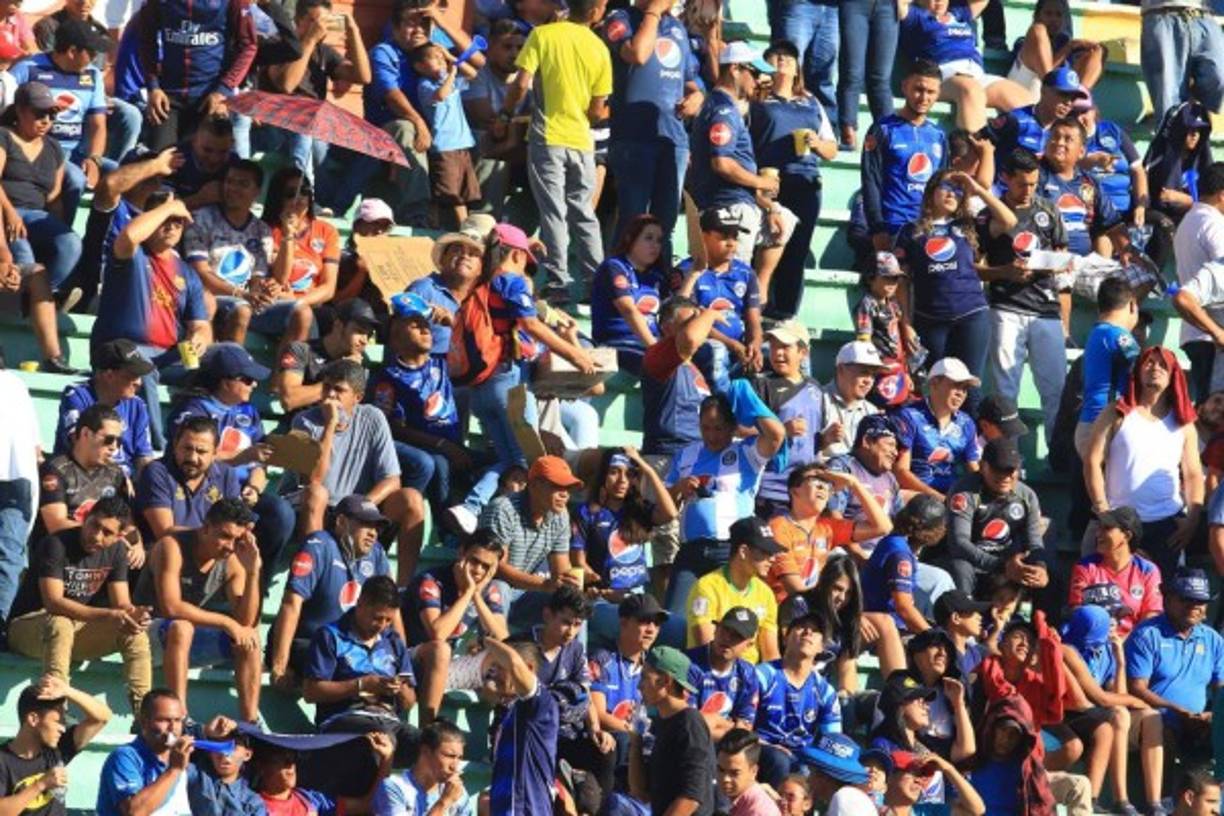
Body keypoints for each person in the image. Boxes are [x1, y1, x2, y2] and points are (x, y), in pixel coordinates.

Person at [493, 0, 610, 304]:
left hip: (548, 137)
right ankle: (596, 281)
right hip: (582, 141)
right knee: (584, 212)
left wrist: (505, 115)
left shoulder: (544, 35)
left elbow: (520, 85)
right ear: (597, 11)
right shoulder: (600, 48)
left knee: (554, 210)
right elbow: (597, 110)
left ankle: (558, 281)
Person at [7, 498, 151, 716]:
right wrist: (110, 615)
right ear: (85, 518)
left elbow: (121, 603)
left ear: (119, 536)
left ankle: (145, 718)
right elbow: (53, 602)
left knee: (135, 633)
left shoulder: (117, 551)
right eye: (94, 525)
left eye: (107, 532)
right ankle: (54, 712)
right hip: (27, 628)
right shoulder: (56, 544)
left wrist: (134, 615)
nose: (96, 535)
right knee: (60, 622)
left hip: (74, 630)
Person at [289, 359, 427, 582]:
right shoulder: (303, 421)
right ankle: (312, 579)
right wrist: (330, 426)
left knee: (412, 499)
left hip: (359, 508)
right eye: (326, 388)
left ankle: (402, 588)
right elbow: (313, 479)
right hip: (317, 508)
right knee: (317, 494)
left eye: (339, 390)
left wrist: (360, 509)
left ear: (358, 398)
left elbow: (392, 480)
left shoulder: (372, 417)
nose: (330, 396)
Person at [93, 191, 209, 451]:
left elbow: (200, 323)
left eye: (177, 222)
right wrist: (171, 207)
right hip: (120, 348)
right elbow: (130, 235)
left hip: (169, 355)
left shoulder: (187, 273)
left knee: (222, 366)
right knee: (143, 367)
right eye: (165, 219)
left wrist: (200, 338)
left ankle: (204, 446)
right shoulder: (132, 255)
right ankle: (159, 446)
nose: (171, 226)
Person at [135, 499, 262, 723]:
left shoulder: (231, 561)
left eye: (237, 539)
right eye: (224, 536)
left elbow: (245, 621)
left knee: (251, 638)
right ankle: (181, 718)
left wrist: (252, 571)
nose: (230, 546)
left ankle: (251, 724)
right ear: (205, 528)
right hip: (145, 632)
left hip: (184, 641)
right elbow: (170, 607)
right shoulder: (171, 546)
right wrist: (226, 622)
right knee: (182, 627)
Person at [1083, 346, 1204, 580]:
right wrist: (1103, 510)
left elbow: (1193, 474)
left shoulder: (1184, 423)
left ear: (1173, 375)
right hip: (1116, 521)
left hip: (1166, 526)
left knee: (1163, 596)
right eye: (1149, 363)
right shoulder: (1116, 413)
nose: (1155, 368)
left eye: (1162, 365)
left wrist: (1192, 519)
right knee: (1110, 595)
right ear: (1138, 371)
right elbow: (1092, 460)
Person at [666, 390, 786, 613]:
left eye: (719, 428)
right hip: (691, 551)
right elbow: (662, 508)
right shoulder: (685, 455)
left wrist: (746, 395)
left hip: (729, 550)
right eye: (706, 428)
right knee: (676, 619)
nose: (712, 435)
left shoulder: (747, 450)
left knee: (728, 618)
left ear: (733, 426)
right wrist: (678, 489)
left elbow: (776, 435)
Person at [301, 575, 420, 798]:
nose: (382, 626)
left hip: (390, 719)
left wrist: (400, 688)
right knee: (381, 742)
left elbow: (410, 701)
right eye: (377, 618)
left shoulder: (393, 641)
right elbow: (311, 692)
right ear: (361, 603)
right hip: (345, 718)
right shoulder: (330, 635)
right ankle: (372, 808)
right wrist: (362, 685)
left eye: (388, 620)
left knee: (431, 746)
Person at [978, 147, 1069, 435]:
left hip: (1046, 309)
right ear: (1005, 178)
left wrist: (1048, 266)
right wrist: (1005, 271)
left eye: (1033, 183)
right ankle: (1009, 460)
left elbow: (1062, 255)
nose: (1029, 190)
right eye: (1022, 184)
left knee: (1056, 389)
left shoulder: (1048, 210)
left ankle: (1058, 460)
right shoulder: (988, 216)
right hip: (1006, 307)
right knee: (1006, 389)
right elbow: (975, 267)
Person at [894, 170, 1012, 387]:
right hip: (930, 319)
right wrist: (906, 324)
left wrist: (978, 190)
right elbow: (901, 282)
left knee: (970, 387)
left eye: (958, 190)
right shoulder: (910, 232)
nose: (952, 194)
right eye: (946, 187)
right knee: (934, 385)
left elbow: (1008, 221)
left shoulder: (969, 226)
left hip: (971, 316)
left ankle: (968, 423)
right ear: (930, 192)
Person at [603, 0, 702, 253]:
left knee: (664, 225)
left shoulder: (677, 28)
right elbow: (638, 54)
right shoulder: (620, 18)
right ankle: (616, 283)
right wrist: (654, 11)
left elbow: (689, 81)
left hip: (672, 138)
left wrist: (696, 98)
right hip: (633, 136)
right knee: (633, 221)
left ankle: (660, 285)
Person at [268, 495, 397, 689]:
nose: (373, 533)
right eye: (365, 524)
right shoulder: (319, 545)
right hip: (308, 642)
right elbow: (291, 604)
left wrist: (402, 661)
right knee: (355, 667)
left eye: (376, 527)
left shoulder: (376, 554)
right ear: (341, 522)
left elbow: (391, 608)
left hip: (350, 647)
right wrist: (279, 666)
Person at [750, 39, 837, 320]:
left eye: (788, 57)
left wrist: (816, 143)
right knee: (766, 244)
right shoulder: (757, 99)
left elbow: (831, 149)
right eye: (775, 57)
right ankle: (756, 306)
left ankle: (785, 312)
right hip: (769, 179)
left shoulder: (811, 101)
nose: (782, 61)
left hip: (805, 181)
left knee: (797, 251)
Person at [182, 160, 303, 347]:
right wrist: (240, 294)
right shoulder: (201, 218)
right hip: (211, 299)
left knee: (302, 312)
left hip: (246, 299)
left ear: (257, 192)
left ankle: (287, 373)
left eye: (243, 184)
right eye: (230, 182)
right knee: (242, 310)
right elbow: (200, 273)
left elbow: (258, 277)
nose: (233, 188)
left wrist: (264, 290)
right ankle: (231, 374)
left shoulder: (262, 230)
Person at [1059, 603, 1159, 815]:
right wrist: (1135, 701)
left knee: (1140, 717)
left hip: (1091, 712)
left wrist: (1120, 661)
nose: (1115, 622)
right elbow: (1100, 699)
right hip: (1066, 713)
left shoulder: (1104, 648)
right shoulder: (1067, 648)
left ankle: (1144, 803)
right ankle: (1119, 798)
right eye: (1111, 616)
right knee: (1118, 716)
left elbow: (1116, 693)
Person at [687, 41, 779, 264]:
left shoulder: (721, 106)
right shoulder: (724, 111)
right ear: (735, 69)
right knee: (729, 279)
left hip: (729, 204)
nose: (759, 81)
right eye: (755, 73)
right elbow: (722, 163)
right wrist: (760, 182)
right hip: (729, 208)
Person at [8, 20, 112, 219]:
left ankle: (100, 241)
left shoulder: (93, 76)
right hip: (37, 152)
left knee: (118, 175)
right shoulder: (28, 69)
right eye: (91, 53)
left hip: (76, 153)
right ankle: (65, 236)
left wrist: (94, 159)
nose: (95, 59)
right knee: (76, 179)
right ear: (72, 51)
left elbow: (98, 124)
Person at [261, 0, 371, 182]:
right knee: (303, 125)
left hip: (314, 130)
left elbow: (363, 77)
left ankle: (333, 201)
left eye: (325, 23)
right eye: (315, 21)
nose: (321, 28)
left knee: (360, 149)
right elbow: (287, 84)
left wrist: (354, 33)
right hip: (277, 128)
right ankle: (306, 192)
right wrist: (310, 39)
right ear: (298, 19)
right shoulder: (280, 45)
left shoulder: (323, 53)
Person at [406, 529, 509, 723]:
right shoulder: (431, 581)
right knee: (440, 649)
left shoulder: (488, 588)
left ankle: (498, 733)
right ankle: (427, 731)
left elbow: (503, 638)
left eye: (486, 566)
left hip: (446, 666)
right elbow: (437, 634)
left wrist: (476, 595)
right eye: (474, 561)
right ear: (461, 553)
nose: (478, 570)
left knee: (510, 657)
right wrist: (468, 593)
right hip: (412, 662)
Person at [132, 0, 256, 149]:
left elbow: (249, 45)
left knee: (206, 163)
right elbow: (146, 39)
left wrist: (223, 90)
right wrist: (153, 87)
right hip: (168, 97)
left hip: (211, 98)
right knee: (161, 162)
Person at [1126, 568, 1224, 754]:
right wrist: (1179, 711)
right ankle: (1168, 784)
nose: (1194, 606)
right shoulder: (1147, 635)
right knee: (1164, 730)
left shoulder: (1213, 639)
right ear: (1168, 599)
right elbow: (1137, 688)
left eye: (1201, 601)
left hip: (1199, 720)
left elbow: (1221, 688)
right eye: (1186, 599)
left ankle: (1213, 782)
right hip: (1154, 717)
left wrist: (1214, 714)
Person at [896, 0, 1033, 131]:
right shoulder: (916, 17)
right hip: (941, 76)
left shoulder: (958, 13)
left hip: (976, 74)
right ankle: (975, 150)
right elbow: (899, 4)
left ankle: (1033, 152)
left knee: (1024, 100)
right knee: (970, 90)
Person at [0, 82, 82, 298]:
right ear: (20, 110)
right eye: (39, 114)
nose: (46, 120)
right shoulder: (4, 137)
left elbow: (54, 198)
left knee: (70, 243)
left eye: (52, 114)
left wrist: (55, 229)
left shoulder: (54, 147)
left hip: (36, 215)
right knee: (24, 253)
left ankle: (40, 297)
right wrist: (9, 213)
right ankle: (36, 298)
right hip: (4, 211)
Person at [767, 464, 892, 602]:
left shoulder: (827, 527)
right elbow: (794, 588)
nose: (822, 487)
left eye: (826, 483)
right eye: (815, 480)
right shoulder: (778, 527)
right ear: (795, 491)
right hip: (782, 610)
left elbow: (883, 527)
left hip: (811, 608)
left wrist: (854, 483)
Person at [941, 438, 1048, 596]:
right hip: (970, 561)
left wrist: (1040, 567)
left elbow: (1034, 542)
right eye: (999, 470)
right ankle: (964, 616)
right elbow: (959, 544)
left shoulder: (1027, 496)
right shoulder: (964, 492)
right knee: (961, 568)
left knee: (1048, 575)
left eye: (1010, 470)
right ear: (983, 466)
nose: (1005, 477)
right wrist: (1002, 566)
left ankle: (1042, 620)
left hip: (1008, 561)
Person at [674, 207, 764, 393]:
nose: (731, 243)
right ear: (703, 237)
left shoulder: (746, 273)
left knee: (789, 349)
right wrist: (731, 344)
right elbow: (689, 320)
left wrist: (754, 343)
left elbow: (753, 317)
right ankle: (725, 413)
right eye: (724, 237)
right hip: (703, 345)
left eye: (735, 237)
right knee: (717, 351)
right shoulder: (687, 272)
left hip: (740, 344)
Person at [481, 454, 579, 624]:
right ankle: (491, 648)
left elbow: (561, 570)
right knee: (500, 587)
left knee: (572, 604)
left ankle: (575, 651)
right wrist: (545, 584)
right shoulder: (502, 509)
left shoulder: (561, 515)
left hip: (524, 594)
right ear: (533, 485)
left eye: (568, 488)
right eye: (557, 486)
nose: (565, 494)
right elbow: (496, 568)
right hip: (483, 591)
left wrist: (569, 585)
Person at [861, 59, 945, 250]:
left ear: (938, 93)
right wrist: (877, 228)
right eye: (918, 89)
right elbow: (870, 181)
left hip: (926, 230)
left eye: (931, 92)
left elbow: (942, 184)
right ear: (904, 86)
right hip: (892, 228)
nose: (924, 97)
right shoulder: (881, 130)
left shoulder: (938, 135)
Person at [0, 676, 112, 813]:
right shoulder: (3, 760)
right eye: (57, 721)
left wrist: (68, 691)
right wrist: (41, 784)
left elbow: (102, 717)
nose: (62, 728)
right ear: (33, 719)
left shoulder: (57, 749)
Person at [754, 615, 841, 786]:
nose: (808, 632)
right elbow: (739, 726)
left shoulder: (826, 692)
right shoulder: (762, 675)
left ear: (821, 647)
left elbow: (833, 741)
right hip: (759, 750)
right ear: (786, 637)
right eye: (801, 627)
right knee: (779, 760)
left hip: (802, 759)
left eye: (815, 631)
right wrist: (763, 744)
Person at [630, 645, 716, 816]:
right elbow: (641, 791)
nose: (639, 686)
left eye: (645, 678)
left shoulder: (690, 723)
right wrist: (635, 740)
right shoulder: (662, 723)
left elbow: (691, 797)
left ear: (666, 681)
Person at [685, 517, 782, 664]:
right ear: (743, 551)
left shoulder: (766, 594)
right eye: (765, 552)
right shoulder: (706, 587)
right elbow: (708, 649)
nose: (772, 559)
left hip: (751, 679)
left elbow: (771, 656)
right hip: (710, 674)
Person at [54, 339, 155, 477]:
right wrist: (118, 476)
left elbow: (144, 458)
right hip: (79, 479)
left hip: (125, 485)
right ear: (109, 375)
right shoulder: (77, 395)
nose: (138, 383)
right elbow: (81, 446)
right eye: (132, 376)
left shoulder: (137, 405)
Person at [486, 638, 562, 816]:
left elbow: (513, 661)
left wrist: (485, 639)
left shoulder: (540, 704)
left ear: (528, 669)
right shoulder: (508, 713)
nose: (494, 674)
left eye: (500, 667)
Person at [410, 42, 481, 231]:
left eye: (442, 57)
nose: (441, 61)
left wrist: (452, 60)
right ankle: (437, 226)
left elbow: (474, 75)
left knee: (462, 193)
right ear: (420, 66)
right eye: (435, 58)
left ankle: (465, 228)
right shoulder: (425, 84)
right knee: (445, 192)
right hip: (443, 146)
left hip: (462, 144)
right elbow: (441, 95)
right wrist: (451, 73)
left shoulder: (449, 79)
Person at [135, 416, 241, 539]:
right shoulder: (157, 472)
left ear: (215, 453)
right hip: (168, 552)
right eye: (187, 448)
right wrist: (214, 537)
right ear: (175, 445)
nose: (192, 458)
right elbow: (165, 532)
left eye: (201, 452)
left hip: (215, 551)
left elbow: (236, 525)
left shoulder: (226, 475)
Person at [589, 594, 665, 766]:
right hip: (609, 742)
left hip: (640, 740)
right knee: (622, 740)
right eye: (644, 621)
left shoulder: (654, 665)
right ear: (623, 623)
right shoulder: (602, 659)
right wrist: (635, 733)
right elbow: (599, 714)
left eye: (657, 623)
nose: (651, 629)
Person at [37, 403, 131, 541]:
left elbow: (126, 523)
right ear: (86, 433)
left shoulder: (115, 473)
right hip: (62, 550)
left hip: (101, 550)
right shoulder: (56, 469)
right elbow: (56, 524)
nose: (114, 447)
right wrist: (107, 535)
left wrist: (136, 540)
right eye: (109, 439)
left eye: (119, 441)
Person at [1038, 117, 1126, 262]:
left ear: (1081, 151)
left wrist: (1128, 251)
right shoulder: (1034, 176)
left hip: (1084, 264)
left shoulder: (1089, 182)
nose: (1060, 142)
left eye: (1068, 139)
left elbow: (1113, 224)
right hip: (1047, 262)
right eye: (1055, 137)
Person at [892, 358, 982, 498]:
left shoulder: (966, 423)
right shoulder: (908, 416)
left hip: (952, 495)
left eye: (965, 388)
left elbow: (974, 470)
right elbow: (900, 472)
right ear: (934, 383)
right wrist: (938, 498)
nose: (961, 393)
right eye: (956, 385)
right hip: (915, 496)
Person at [591, 214, 668, 375]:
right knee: (660, 366)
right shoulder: (614, 267)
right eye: (648, 238)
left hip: (649, 342)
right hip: (617, 341)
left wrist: (694, 273)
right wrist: (655, 349)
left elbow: (674, 309)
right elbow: (628, 310)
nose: (655, 245)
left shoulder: (656, 276)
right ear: (630, 239)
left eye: (659, 240)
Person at [1069, 506, 1163, 637]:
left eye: (1106, 528)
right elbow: (1077, 611)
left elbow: (1151, 617)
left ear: (1127, 535)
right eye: (1099, 528)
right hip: (1094, 641)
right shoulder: (1086, 567)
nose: (1098, 534)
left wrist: (1127, 643)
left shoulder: (1148, 570)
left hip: (1134, 643)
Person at [273, 297, 378, 414]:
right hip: (304, 427)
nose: (364, 341)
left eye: (368, 335)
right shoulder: (302, 350)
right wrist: (339, 379)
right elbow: (288, 399)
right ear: (338, 325)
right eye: (359, 331)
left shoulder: (359, 363)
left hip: (342, 429)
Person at [1173, 162, 1224, 397]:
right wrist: (1218, 332)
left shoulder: (1188, 221)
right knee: (1213, 412)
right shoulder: (1215, 225)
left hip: (1196, 332)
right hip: (1213, 336)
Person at [861, 494, 947, 634]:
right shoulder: (900, 555)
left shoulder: (894, 541)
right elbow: (903, 607)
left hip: (886, 623)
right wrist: (933, 638)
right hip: (885, 629)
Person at [263, 167, 340, 316]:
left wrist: (298, 303)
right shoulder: (264, 230)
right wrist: (288, 235)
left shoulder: (327, 231)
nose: (299, 198)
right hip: (273, 301)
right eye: (291, 194)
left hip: (310, 305)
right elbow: (280, 278)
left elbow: (328, 288)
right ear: (277, 197)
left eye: (305, 191)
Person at [1077, 278, 1141, 456]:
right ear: (1132, 305)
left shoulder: (1098, 333)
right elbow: (1142, 370)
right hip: (1106, 425)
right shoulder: (1118, 336)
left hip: (1091, 421)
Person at [826, 414, 904, 556]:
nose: (896, 452)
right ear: (867, 441)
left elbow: (900, 524)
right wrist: (860, 556)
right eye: (891, 445)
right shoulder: (842, 467)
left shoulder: (891, 479)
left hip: (881, 554)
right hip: (845, 551)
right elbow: (833, 517)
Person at [686, 607, 761, 740]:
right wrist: (731, 728)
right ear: (715, 630)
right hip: (689, 744)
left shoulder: (748, 674)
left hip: (727, 746)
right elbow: (690, 724)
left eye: (737, 636)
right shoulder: (689, 664)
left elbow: (745, 727)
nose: (727, 638)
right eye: (725, 630)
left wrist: (716, 724)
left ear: (749, 645)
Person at [0, 369, 38, 628]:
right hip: (19, 479)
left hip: (15, 482)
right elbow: (37, 449)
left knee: (8, 556)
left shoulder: (15, 384)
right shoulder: (17, 384)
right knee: (8, 555)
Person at [373, 719, 474, 816]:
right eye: (449, 756)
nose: (454, 766)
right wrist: (444, 802)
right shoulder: (394, 787)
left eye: (459, 758)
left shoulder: (458, 793)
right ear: (426, 751)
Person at [986, 67, 1087, 160]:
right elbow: (980, 145)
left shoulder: (1067, 131)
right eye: (1063, 94)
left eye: (1073, 98)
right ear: (1044, 90)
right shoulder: (1015, 120)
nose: (1068, 103)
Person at [1007, 6, 1103, 99]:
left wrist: (1094, 51)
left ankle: (1078, 100)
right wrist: (1067, 48)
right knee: (1038, 29)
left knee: (1096, 50)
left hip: (1052, 106)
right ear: (1037, 16)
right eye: (1048, 14)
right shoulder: (1030, 39)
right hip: (1021, 104)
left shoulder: (1063, 45)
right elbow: (1048, 79)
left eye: (1059, 15)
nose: (1054, 19)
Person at [1145, 101, 1213, 225]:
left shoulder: (1203, 161)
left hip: (1198, 218)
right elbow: (1158, 200)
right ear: (1177, 129)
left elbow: (1216, 202)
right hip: (1163, 219)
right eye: (1190, 129)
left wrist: (1186, 200)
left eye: (1199, 130)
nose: (1195, 135)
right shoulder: (1158, 160)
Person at [819, 341, 884, 459]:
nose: (869, 381)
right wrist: (823, 441)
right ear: (841, 370)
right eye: (863, 372)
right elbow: (800, 453)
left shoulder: (871, 411)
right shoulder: (817, 400)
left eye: (873, 375)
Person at [717, 728, 781, 816]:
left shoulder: (759, 811)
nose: (725, 779)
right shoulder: (736, 800)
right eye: (721, 770)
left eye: (735, 773)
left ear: (754, 771)